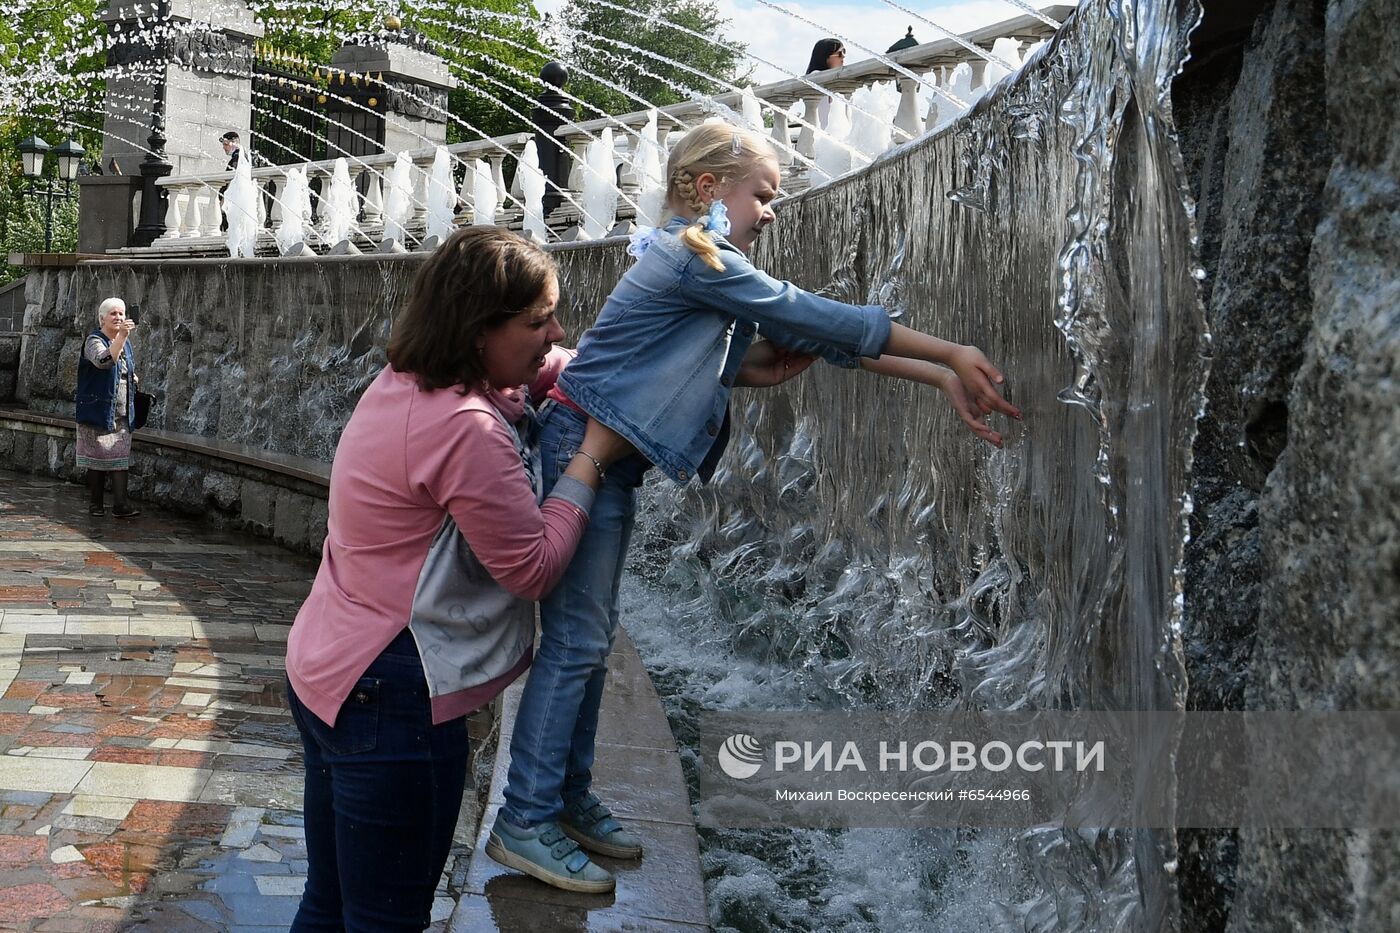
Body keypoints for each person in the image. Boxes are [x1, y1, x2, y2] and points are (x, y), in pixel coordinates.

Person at [489, 122, 1022, 891]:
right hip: (586, 446)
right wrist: (947, 352)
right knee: (575, 641)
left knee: (591, 637)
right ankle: (523, 817)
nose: (771, 211)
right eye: (763, 196)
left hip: (605, 451)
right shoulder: (690, 257)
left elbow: (798, 340)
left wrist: (935, 380)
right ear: (707, 189)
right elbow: (806, 311)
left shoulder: (693, 260)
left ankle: (563, 798)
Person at [284, 226, 633, 929]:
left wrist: (566, 363)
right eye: (538, 322)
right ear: (479, 330)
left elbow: (534, 370)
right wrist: (592, 457)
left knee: (328, 903)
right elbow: (532, 566)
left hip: (328, 672)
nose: (555, 333)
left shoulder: (406, 379)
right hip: (393, 702)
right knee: (386, 920)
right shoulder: (466, 428)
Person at [75, 297, 141, 518]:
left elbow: (121, 368)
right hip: (98, 411)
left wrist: (131, 377)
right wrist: (122, 336)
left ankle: (121, 505)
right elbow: (103, 362)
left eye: (121, 313)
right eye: (113, 313)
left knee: (119, 460)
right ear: (102, 318)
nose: (119, 317)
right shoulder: (94, 341)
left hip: (121, 414)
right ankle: (96, 504)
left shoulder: (125, 343)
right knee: (98, 459)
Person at [805, 38, 847, 128]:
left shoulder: (840, 81)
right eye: (839, 53)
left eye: (844, 52)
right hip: (823, 134)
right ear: (825, 56)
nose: (843, 56)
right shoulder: (815, 77)